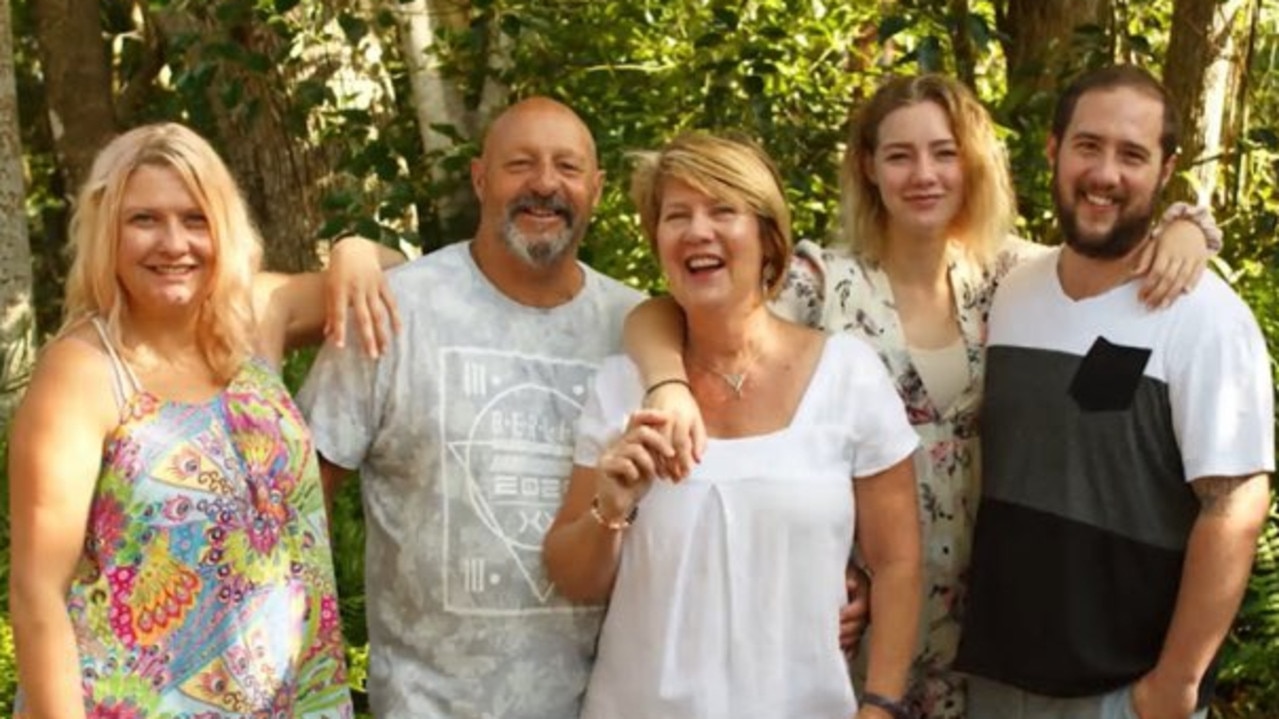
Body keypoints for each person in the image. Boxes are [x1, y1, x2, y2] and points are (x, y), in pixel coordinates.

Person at [623, 74, 1220, 718]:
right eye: (899, 155)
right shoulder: (821, 282)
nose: (923, 174)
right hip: (860, 614)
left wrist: (1187, 227)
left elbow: (1115, 256)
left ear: (971, 164)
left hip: (991, 622)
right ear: (869, 168)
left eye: (943, 152)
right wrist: (667, 382)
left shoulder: (1014, 276)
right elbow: (667, 313)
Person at [7, 122, 403, 717]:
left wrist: (351, 249)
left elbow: (398, 272)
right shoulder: (83, 372)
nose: (174, 244)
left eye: (195, 219)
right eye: (144, 220)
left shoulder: (252, 319)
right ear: (106, 232)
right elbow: (38, 594)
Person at [543, 132, 922, 719]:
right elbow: (573, 578)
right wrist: (609, 510)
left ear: (769, 238)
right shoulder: (622, 386)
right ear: (658, 242)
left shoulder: (848, 376)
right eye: (677, 215)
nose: (698, 231)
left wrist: (880, 705)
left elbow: (898, 561)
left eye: (723, 210)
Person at [297, 97, 645, 718]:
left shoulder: (639, 329)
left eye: (567, 167)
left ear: (596, 189)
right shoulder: (397, 309)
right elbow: (299, 492)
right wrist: (303, 664)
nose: (544, 184)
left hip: (606, 705)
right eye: (520, 164)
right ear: (480, 178)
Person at [953, 64, 1273, 719]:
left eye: (1131, 154)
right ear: (1052, 149)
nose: (1104, 173)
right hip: (994, 677)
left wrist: (1173, 686)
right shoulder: (1011, 289)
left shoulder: (1203, 316)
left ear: (1165, 169)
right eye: (1087, 145)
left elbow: (1234, 503)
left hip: (1120, 693)